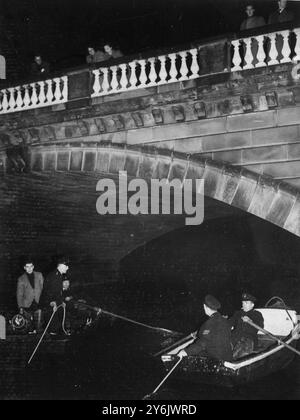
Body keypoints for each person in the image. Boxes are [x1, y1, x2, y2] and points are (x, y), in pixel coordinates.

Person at [177, 295, 233, 362]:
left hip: (216, 360)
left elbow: (202, 343)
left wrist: (186, 352)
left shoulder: (209, 323)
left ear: (205, 307)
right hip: (228, 357)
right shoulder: (225, 320)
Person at [40, 257, 71, 335]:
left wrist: (61, 302)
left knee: (57, 328)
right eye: (66, 266)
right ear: (61, 265)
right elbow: (48, 292)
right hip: (50, 306)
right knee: (53, 329)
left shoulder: (59, 275)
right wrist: (52, 302)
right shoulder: (54, 276)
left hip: (55, 305)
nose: (68, 268)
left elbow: (57, 293)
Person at [229, 293, 264, 359]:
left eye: (246, 303)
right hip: (234, 337)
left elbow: (261, 327)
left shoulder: (257, 314)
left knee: (237, 356)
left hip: (248, 339)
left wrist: (250, 321)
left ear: (252, 305)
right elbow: (229, 323)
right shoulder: (238, 313)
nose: (243, 304)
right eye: (243, 302)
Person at [16, 258, 44, 333]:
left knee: (39, 325)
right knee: (28, 327)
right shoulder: (21, 279)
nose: (29, 268)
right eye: (27, 267)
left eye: (31, 266)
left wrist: (44, 301)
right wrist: (20, 307)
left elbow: (43, 289)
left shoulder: (39, 275)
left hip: (38, 303)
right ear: (24, 268)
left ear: (33, 266)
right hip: (27, 305)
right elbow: (19, 294)